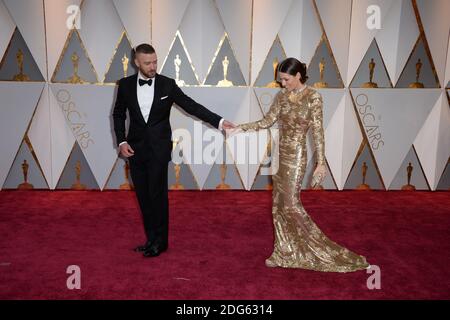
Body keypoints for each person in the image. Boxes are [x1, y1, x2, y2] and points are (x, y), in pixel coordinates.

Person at [231, 58, 369, 272]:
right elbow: (267, 121)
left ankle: (322, 248)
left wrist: (321, 163)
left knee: (292, 205)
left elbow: (317, 132)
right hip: (278, 156)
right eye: (281, 80)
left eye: (286, 79)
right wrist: (241, 128)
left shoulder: (314, 97)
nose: (282, 84)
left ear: (298, 76)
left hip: (296, 156)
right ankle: (283, 252)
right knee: (278, 206)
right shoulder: (281, 96)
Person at [113, 44, 235, 258]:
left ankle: (161, 242)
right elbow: (118, 114)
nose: (152, 67)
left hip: (158, 150)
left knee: (157, 196)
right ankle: (151, 239)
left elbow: (191, 106)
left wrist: (219, 121)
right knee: (143, 196)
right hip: (135, 150)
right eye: (147, 63)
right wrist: (121, 141)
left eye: (155, 62)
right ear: (136, 63)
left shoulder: (167, 85)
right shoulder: (124, 85)